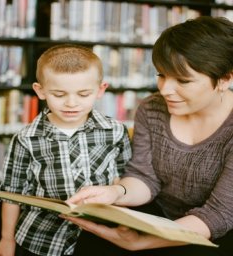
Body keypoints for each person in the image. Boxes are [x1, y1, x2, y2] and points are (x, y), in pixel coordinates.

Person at [63, 16, 233, 256]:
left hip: (216, 231)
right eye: (161, 75)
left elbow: (219, 214)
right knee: (92, 242)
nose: (165, 90)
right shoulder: (152, 108)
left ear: (225, 79)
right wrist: (115, 192)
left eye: (183, 80)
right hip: (161, 214)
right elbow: (144, 177)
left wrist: (142, 241)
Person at [0, 44, 132, 256]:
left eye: (83, 94)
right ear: (40, 91)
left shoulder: (115, 131)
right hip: (42, 238)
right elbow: (11, 193)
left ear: (100, 90)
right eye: (59, 94)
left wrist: (126, 223)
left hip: (101, 235)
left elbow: (125, 179)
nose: (71, 103)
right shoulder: (26, 139)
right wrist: (6, 239)